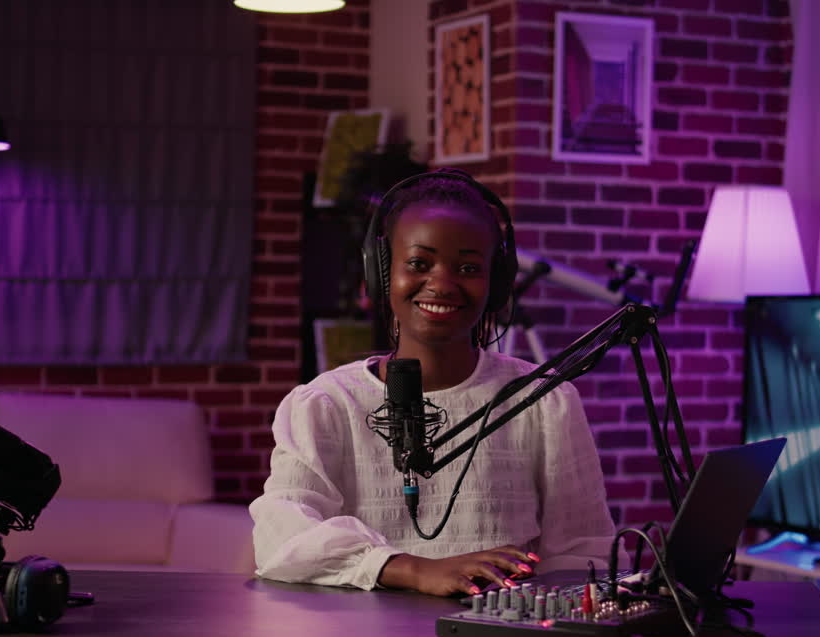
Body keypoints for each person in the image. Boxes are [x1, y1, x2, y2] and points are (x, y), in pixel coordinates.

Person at [249, 169, 617, 597]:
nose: (442, 284)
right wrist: (413, 569)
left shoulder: (543, 401)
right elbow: (281, 536)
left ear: (496, 283)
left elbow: (582, 550)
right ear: (382, 274)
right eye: (419, 264)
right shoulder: (327, 404)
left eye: (468, 267)